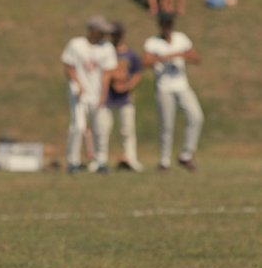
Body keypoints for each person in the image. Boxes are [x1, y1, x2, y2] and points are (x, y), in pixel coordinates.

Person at [142, 12, 204, 171]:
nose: (168, 27)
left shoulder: (181, 38)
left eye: (170, 24)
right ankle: (164, 160)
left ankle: (186, 154)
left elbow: (196, 58)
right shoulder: (152, 42)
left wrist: (183, 55)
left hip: (182, 85)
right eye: (165, 24)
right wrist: (165, 57)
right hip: (164, 87)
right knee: (166, 124)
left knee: (196, 116)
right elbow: (146, 61)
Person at [61, 15, 117, 173]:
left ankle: (102, 161)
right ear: (93, 30)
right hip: (79, 93)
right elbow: (68, 66)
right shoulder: (76, 44)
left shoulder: (107, 48)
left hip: (97, 93)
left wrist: (103, 94)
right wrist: (77, 84)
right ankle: (73, 161)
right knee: (78, 126)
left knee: (101, 127)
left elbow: (108, 73)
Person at [108, 22, 144, 172]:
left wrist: (128, 86)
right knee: (103, 129)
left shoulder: (130, 54)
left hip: (125, 97)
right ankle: (100, 159)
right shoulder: (106, 51)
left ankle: (131, 158)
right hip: (107, 97)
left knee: (127, 129)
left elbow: (137, 73)